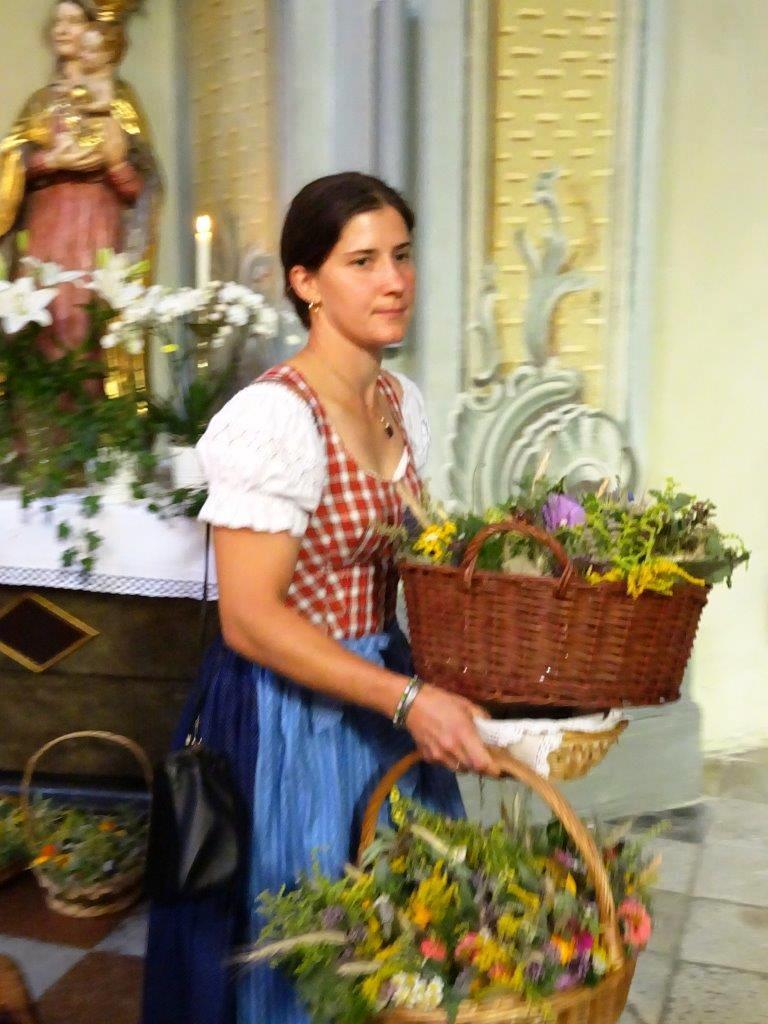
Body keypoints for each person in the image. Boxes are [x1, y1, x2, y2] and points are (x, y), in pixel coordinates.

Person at [142, 172, 497, 1024]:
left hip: (383, 699)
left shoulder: (400, 404)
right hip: (286, 714)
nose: (394, 280)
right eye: (362, 262)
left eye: (402, 256)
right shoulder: (274, 420)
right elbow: (250, 620)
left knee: (400, 936)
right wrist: (405, 697)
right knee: (307, 944)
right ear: (306, 282)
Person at [0, 0, 161, 356]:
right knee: (41, 318)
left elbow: (144, 185)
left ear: (94, 32)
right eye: (57, 21)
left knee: (89, 320)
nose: (61, 30)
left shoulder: (119, 101)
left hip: (98, 228)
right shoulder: (40, 102)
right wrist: (49, 160)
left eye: (72, 21)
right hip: (45, 228)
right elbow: (11, 162)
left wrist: (115, 164)